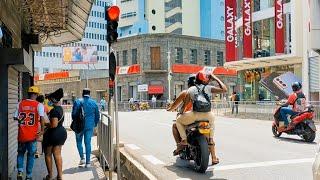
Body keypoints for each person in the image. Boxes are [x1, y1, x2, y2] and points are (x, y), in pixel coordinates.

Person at [167, 74, 220, 165]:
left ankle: (181, 146)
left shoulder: (186, 92)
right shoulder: (204, 90)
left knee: (175, 125)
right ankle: (214, 157)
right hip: (205, 115)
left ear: (188, 83)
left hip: (190, 117)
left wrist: (170, 109)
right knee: (209, 135)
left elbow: (175, 106)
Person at [175, 71, 227, 154]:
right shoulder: (208, 88)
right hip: (208, 115)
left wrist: (181, 112)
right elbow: (224, 89)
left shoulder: (191, 89)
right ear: (204, 80)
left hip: (195, 115)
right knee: (212, 122)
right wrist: (215, 78)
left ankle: (184, 140)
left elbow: (183, 107)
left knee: (178, 121)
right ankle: (211, 139)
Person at [14, 86, 45, 180]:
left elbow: (15, 117)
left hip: (22, 135)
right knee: (31, 155)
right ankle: (28, 176)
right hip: (32, 136)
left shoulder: (20, 103)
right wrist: (42, 130)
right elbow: (42, 118)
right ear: (36, 95)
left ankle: (20, 171)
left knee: (20, 153)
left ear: (28, 93)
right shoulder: (39, 105)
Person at [43, 88, 67, 180]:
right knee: (57, 154)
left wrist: (44, 123)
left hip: (53, 134)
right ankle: (60, 176)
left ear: (53, 100)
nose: (48, 101)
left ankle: (49, 176)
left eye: (49, 100)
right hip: (61, 133)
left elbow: (54, 124)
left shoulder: (54, 110)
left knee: (48, 154)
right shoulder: (60, 109)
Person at [72, 88, 100, 168]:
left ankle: (82, 158)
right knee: (88, 143)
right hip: (89, 126)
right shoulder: (94, 103)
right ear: (89, 94)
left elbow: (73, 115)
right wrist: (94, 124)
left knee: (79, 142)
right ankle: (88, 163)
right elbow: (97, 116)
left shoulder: (77, 102)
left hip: (79, 126)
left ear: (82, 93)